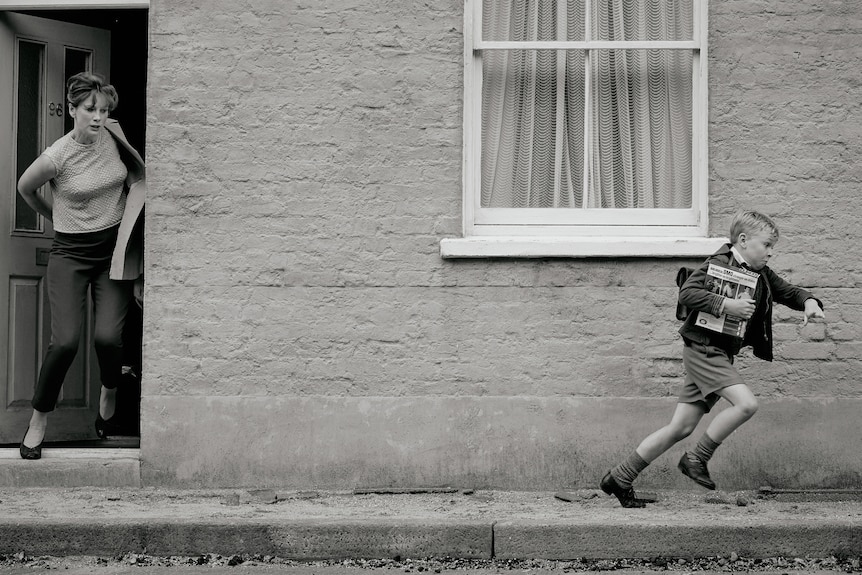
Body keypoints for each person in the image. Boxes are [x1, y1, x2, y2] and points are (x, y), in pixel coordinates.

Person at [600, 210, 825, 507]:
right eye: (766, 245)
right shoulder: (717, 264)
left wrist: (809, 302)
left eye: (773, 247)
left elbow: (788, 291)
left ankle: (619, 477)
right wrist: (728, 304)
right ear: (743, 241)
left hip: (715, 353)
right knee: (746, 404)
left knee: (680, 427)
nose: (770, 252)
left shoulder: (760, 273)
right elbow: (688, 294)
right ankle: (696, 459)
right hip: (704, 350)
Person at [16, 72, 146, 460]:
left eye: (104, 110)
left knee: (108, 338)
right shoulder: (57, 156)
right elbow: (25, 188)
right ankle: (38, 419)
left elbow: (137, 177)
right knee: (66, 342)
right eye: (90, 109)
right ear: (72, 109)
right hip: (70, 254)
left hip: (113, 253)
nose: (98, 117)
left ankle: (110, 385)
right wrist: (55, 216)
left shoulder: (115, 138)